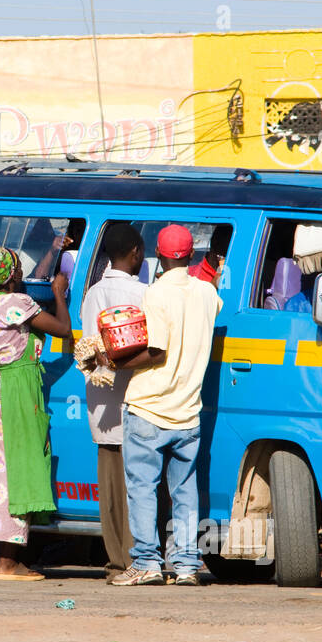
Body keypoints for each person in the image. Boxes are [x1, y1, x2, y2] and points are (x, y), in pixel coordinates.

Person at [111, 224, 221, 587]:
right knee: (185, 490)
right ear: (190, 255)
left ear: (158, 256)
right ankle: (187, 564)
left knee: (142, 488)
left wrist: (115, 362)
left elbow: (154, 349)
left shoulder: (154, 293)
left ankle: (147, 562)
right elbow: (213, 297)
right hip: (188, 409)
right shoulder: (206, 292)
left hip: (148, 407)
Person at [0, 246, 72, 580]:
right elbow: (62, 329)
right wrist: (58, 294)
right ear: (12, 276)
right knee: (15, 476)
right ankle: (8, 563)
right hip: (15, 398)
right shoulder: (20, 304)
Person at [78, 223, 148, 583]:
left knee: (111, 490)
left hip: (103, 406)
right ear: (136, 253)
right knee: (139, 487)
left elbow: (88, 348)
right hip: (139, 402)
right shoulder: (145, 294)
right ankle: (139, 560)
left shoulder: (92, 295)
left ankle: (117, 562)